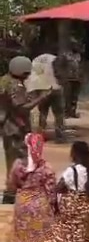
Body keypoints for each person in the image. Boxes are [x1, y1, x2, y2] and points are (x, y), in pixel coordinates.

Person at [0, 56, 50, 204]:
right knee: (18, 162)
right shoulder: (15, 85)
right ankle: (11, 195)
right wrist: (42, 97)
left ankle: (11, 195)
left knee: (13, 160)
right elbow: (22, 108)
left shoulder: (4, 80)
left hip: (8, 126)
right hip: (15, 127)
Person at [7, 132, 56, 242]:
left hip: (23, 204)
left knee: (23, 238)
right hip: (40, 205)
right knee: (38, 238)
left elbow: (11, 184)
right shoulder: (46, 167)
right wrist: (53, 205)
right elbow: (52, 189)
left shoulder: (18, 165)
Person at [35, 53, 67, 142]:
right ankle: (44, 135)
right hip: (48, 90)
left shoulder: (60, 64)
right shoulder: (46, 61)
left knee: (52, 113)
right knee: (47, 112)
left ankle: (56, 135)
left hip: (50, 90)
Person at [64, 45, 82, 119]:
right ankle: (66, 113)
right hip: (68, 79)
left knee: (74, 97)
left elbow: (80, 67)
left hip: (77, 79)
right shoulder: (67, 56)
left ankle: (72, 112)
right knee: (67, 96)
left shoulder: (79, 56)